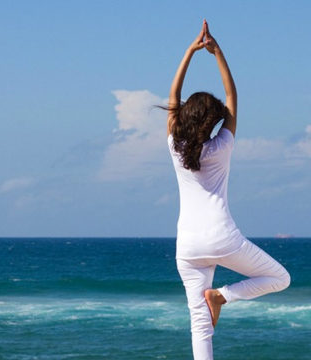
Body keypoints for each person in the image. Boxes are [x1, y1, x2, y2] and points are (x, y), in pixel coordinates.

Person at [164, 19, 290, 360]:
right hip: (222, 238)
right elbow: (232, 96)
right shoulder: (222, 146)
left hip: (187, 245)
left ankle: (215, 301)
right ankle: (222, 296)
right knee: (280, 278)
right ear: (211, 122)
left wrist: (189, 52)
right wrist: (216, 51)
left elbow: (173, 98)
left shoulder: (176, 148)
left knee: (199, 326)